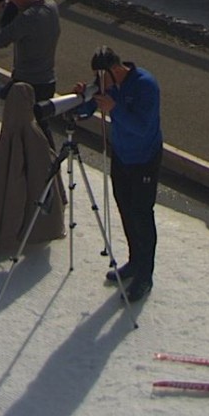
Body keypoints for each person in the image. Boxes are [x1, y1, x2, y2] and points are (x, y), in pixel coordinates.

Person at [65, 51, 167, 297]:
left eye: (101, 76)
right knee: (125, 208)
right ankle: (134, 261)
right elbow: (89, 108)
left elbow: (142, 127)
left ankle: (145, 275)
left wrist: (115, 109)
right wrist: (81, 99)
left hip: (144, 158)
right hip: (121, 156)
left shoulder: (145, 85)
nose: (101, 83)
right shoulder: (107, 84)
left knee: (142, 214)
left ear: (113, 69)